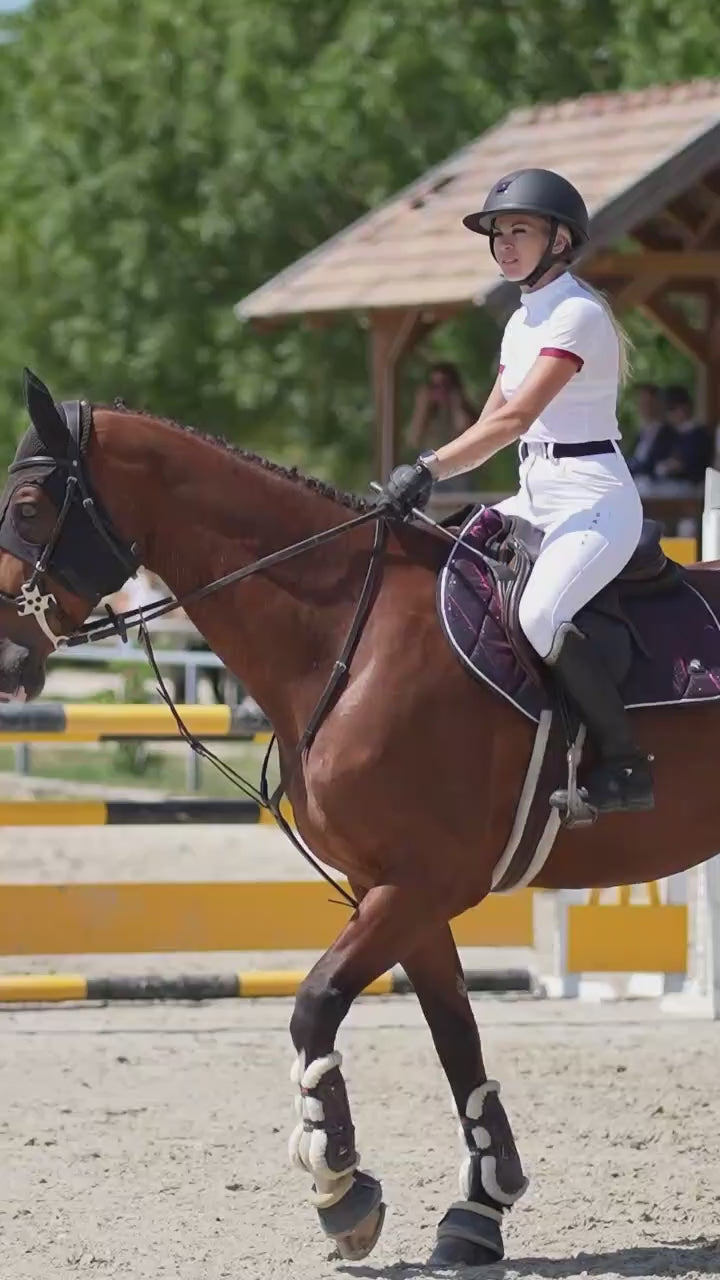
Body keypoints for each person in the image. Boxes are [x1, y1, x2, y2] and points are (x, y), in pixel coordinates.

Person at [380, 167, 653, 815]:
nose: (503, 244)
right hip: (536, 494)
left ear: (559, 239)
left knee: (539, 615)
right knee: (446, 572)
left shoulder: (578, 313)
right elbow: (488, 429)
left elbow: (516, 419)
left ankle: (625, 762)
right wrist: (427, 483)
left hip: (594, 501)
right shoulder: (521, 322)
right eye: (498, 233)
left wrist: (427, 468)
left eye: (519, 231)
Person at [407, 363, 477, 493]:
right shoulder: (428, 414)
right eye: (434, 386)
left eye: (446, 385)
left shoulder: (462, 411)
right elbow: (413, 440)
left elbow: (466, 431)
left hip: (458, 471)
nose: (440, 391)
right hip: (431, 471)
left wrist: (456, 403)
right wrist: (421, 408)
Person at [654, 385, 714, 488]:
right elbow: (655, 458)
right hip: (665, 484)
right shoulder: (666, 432)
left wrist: (680, 466)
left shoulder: (701, 434)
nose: (669, 415)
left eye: (672, 409)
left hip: (694, 485)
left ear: (685, 407)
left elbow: (701, 463)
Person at [626, 383, 675, 494]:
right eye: (641, 402)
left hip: (657, 488)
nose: (644, 407)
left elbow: (657, 466)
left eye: (648, 403)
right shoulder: (641, 433)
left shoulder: (669, 433)